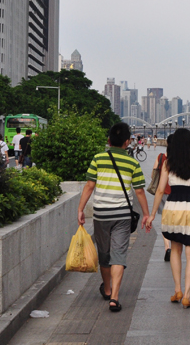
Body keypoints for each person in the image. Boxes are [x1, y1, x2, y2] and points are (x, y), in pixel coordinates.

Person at [77, 123, 149, 312]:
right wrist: (146, 214)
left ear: (108, 141)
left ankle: (107, 288)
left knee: (104, 253)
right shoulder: (132, 163)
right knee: (119, 254)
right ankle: (115, 298)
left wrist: (81, 209)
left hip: (101, 214)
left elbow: (89, 186)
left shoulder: (98, 158)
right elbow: (140, 191)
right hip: (122, 215)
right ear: (127, 142)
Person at [144, 129, 190, 309]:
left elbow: (159, 190)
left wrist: (151, 215)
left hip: (173, 207)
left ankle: (177, 290)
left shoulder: (168, 164)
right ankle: (187, 296)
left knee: (175, 250)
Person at [152, 151, 174, 260]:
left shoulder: (161, 157)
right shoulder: (179, 157)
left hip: (163, 193)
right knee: (174, 221)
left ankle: (167, 247)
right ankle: (175, 247)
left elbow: (153, 173)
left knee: (165, 221)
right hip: (176, 195)